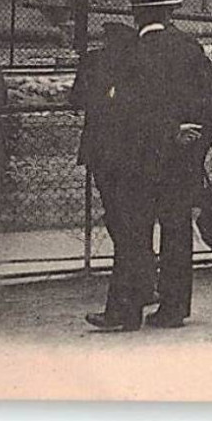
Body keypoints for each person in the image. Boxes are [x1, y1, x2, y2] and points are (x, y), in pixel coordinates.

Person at [92, 0, 212, 331]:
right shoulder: (189, 46)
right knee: (177, 231)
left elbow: (131, 109)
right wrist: (195, 141)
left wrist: (165, 131)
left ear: (136, 13)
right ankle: (174, 308)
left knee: (134, 233)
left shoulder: (131, 53)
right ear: (169, 10)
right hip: (180, 162)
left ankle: (126, 311)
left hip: (139, 158)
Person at [74, 22, 140, 326]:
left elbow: (76, 100)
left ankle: (124, 307)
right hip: (134, 153)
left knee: (120, 225)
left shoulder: (93, 61)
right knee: (132, 225)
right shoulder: (137, 61)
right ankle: (143, 286)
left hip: (102, 153)